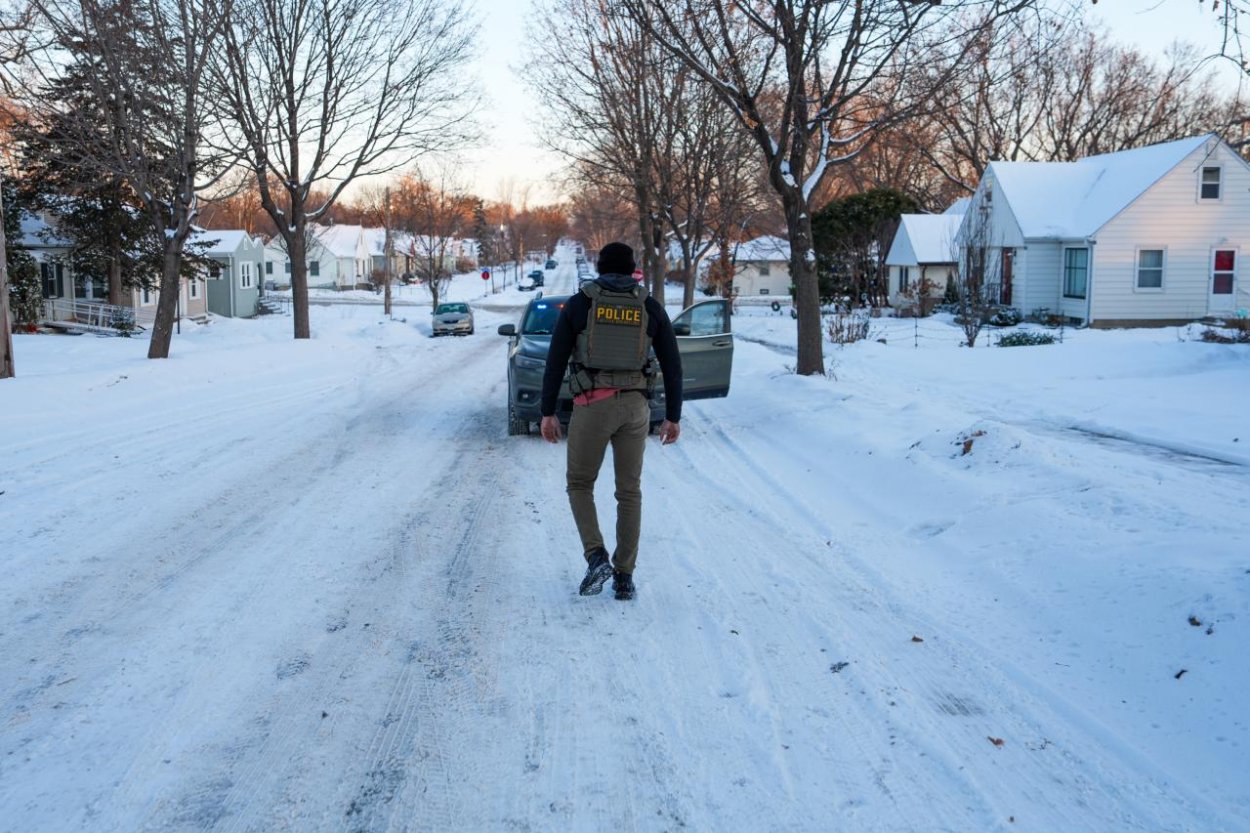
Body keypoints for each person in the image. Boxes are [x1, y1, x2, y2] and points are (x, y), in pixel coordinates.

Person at [540, 242, 682, 601]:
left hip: (593, 405)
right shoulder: (648, 305)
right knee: (629, 491)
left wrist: (547, 411)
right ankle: (624, 576)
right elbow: (672, 361)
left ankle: (596, 555)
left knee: (579, 483)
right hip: (635, 408)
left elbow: (555, 360)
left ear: (600, 268)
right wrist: (674, 417)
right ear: (633, 268)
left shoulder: (580, 304)